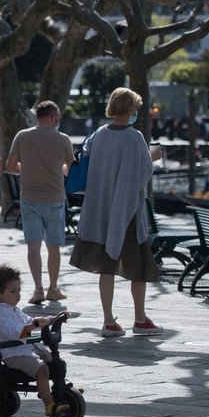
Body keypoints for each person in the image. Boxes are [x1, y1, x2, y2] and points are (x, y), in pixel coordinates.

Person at [69, 88, 164, 337]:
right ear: (130, 108)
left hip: (100, 207)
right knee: (140, 264)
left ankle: (108, 320)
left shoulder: (99, 134)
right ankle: (140, 319)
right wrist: (152, 157)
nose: (137, 113)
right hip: (126, 209)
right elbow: (140, 174)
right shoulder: (134, 138)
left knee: (106, 266)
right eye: (136, 108)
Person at [5, 101, 75, 305]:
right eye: (58, 118)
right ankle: (53, 288)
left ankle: (38, 290)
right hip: (54, 199)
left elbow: (10, 166)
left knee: (33, 246)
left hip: (29, 199)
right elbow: (71, 170)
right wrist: (58, 168)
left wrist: (25, 168)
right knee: (54, 247)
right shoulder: (63, 139)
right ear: (53, 117)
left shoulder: (22, 136)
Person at [0, 265, 69, 417]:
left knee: (54, 361)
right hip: (14, 355)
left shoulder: (13, 309)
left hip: (26, 350)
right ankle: (50, 405)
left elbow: (32, 321)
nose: (17, 296)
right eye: (13, 291)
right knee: (42, 369)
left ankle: (62, 389)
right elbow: (14, 333)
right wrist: (32, 326)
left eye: (19, 291)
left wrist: (52, 319)